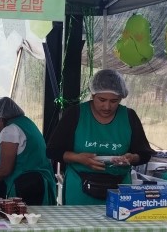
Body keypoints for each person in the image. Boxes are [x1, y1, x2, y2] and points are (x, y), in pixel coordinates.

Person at [46, 69, 153, 205]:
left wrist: (131, 158)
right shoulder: (75, 114)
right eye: (101, 100)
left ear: (121, 98)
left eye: (114, 101)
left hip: (119, 190)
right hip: (80, 189)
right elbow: (53, 151)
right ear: (93, 95)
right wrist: (78, 158)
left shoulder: (129, 116)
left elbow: (144, 154)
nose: (107, 106)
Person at [0, 97, 56, 205]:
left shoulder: (9, 131)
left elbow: (5, 169)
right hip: (42, 182)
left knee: (22, 220)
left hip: (27, 186)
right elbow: (9, 161)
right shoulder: (26, 122)